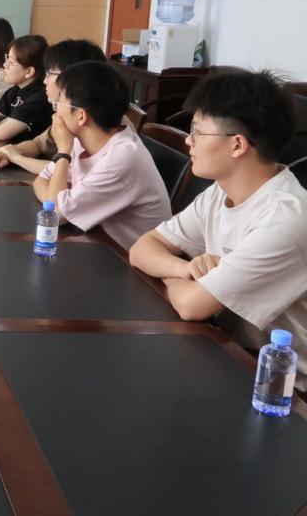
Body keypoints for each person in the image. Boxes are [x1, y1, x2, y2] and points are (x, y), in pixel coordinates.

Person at [130, 70, 307, 389]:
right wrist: (183, 269)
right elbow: (143, 248)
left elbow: (191, 306)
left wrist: (181, 278)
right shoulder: (219, 192)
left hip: (284, 386)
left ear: (237, 145)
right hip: (226, 351)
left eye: (198, 132)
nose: (189, 141)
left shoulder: (285, 218)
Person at [34, 61, 170, 250]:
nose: (55, 111)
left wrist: (63, 152)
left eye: (59, 102)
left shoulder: (123, 157)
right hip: (95, 243)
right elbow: (42, 181)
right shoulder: (80, 139)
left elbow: (57, 212)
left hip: (127, 261)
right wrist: (57, 203)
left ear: (81, 116)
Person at [0, 39, 108, 174]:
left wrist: (17, 158)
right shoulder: (64, 112)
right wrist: (8, 152)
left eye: (50, 74)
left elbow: (72, 173)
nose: (45, 81)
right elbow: (39, 144)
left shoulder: (102, 124)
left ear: (75, 78)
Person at [0, 34, 51, 143]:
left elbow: (0, 134)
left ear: (29, 72)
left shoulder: (39, 97)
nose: (4, 65)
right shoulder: (16, 90)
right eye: (7, 59)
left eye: (11, 63)